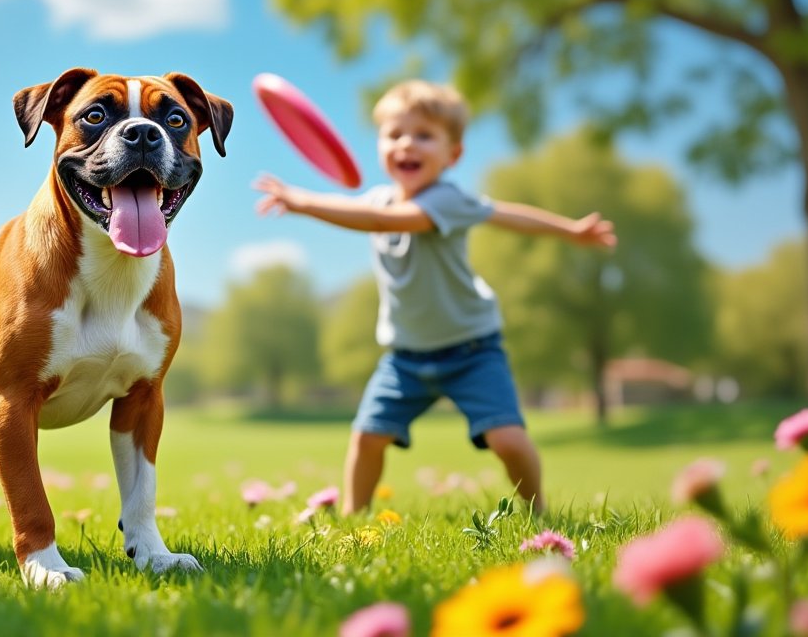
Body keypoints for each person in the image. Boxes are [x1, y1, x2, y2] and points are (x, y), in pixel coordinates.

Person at [253, 80, 616, 515]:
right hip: (405, 356)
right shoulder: (379, 199)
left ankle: (539, 510)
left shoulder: (447, 199)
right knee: (368, 436)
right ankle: (352, 516)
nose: (407, 144)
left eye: (424, 135)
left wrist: (569, 230)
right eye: (395, 134)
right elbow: (372, 211)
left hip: (473, 351)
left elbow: (502, 214)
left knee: (508, 440)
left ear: (453, 154)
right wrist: (310, 201)